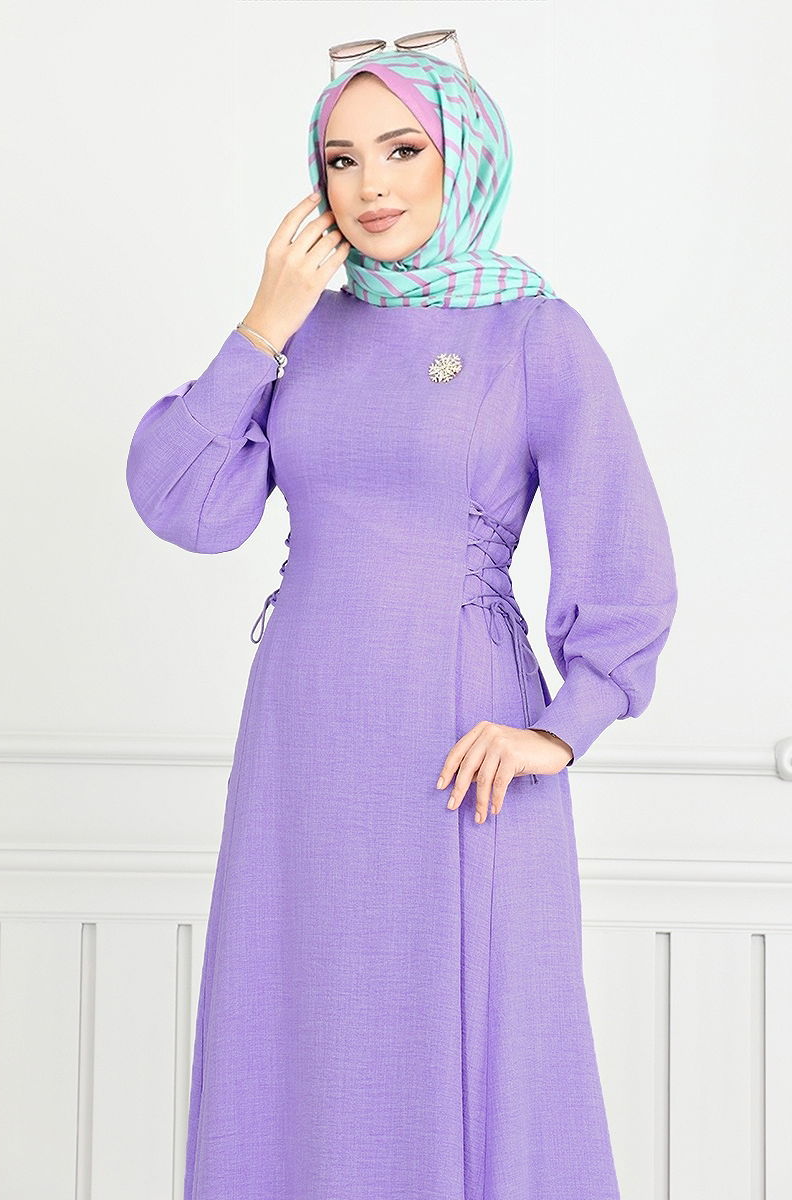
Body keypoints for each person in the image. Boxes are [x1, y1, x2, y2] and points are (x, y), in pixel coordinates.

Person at [125, 45, 677, 1200]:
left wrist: (562, 726)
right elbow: (186, 506)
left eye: (401, 150)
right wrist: (261, 325)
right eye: (340, 160)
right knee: (297, 1024)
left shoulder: (535, 332)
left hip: (458, 744)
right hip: (302, 742)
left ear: (461, 161)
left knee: (468, 1035)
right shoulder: (305, 333)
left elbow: (623, 558)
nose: (370, 185)